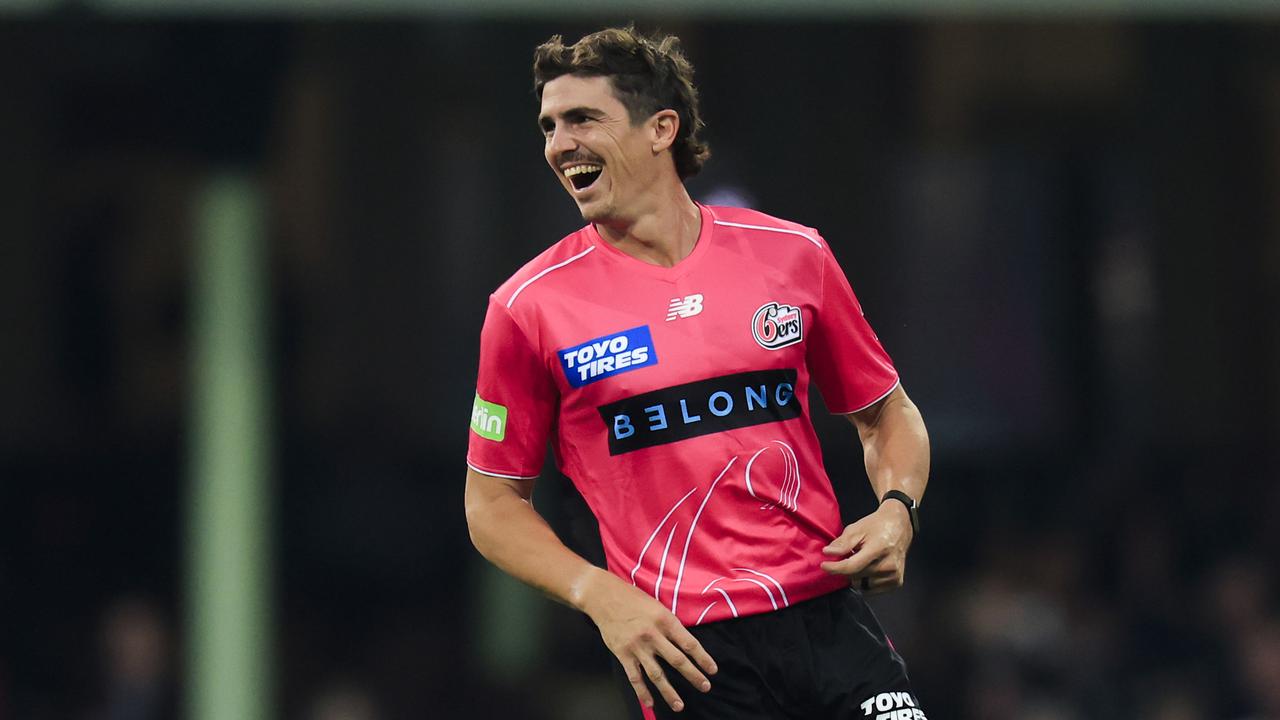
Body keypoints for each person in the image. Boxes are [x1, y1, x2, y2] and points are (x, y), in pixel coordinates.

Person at [464, 26, 931, 720]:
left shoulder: (793, 255)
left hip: (830, 618)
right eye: (549, 126)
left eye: (583, 118)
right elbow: (492, 505)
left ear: (661, 128)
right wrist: (599, 595)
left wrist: (898, 511)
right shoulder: (527, 307)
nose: (559, 144)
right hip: (688, 651)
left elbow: (886, 412)